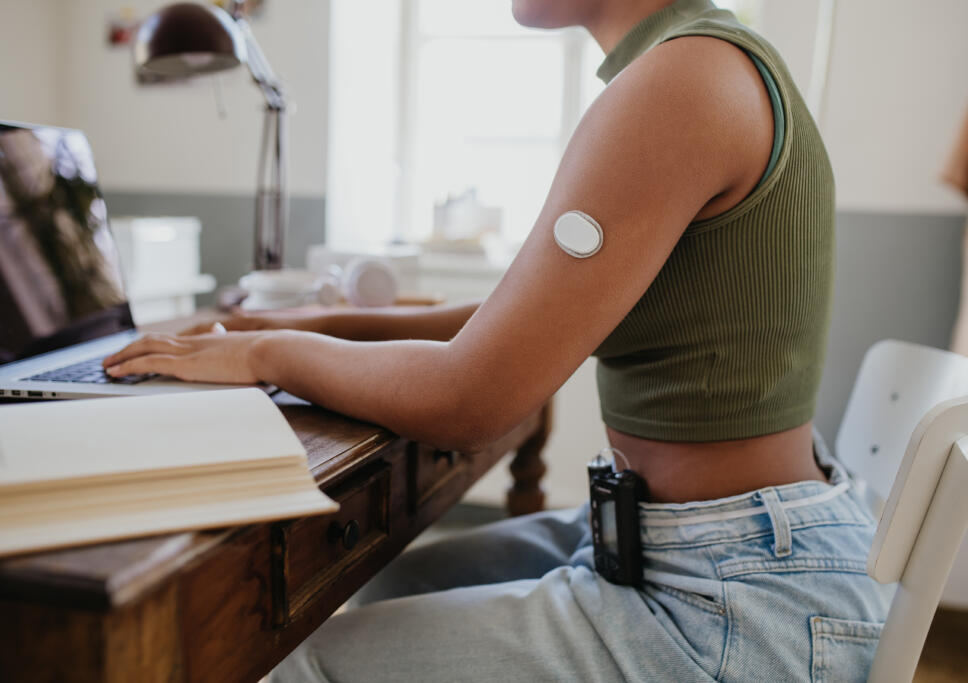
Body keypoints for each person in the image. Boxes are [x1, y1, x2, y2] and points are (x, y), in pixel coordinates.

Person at [104, 1, 894, 680]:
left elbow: (469, 395)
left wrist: (266, 358)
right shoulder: (699, 63)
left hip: (731, 597)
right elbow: (510, 318)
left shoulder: (680, 82)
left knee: (298, 661)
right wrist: (294, 326)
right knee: (390, 585)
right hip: (726, 548)